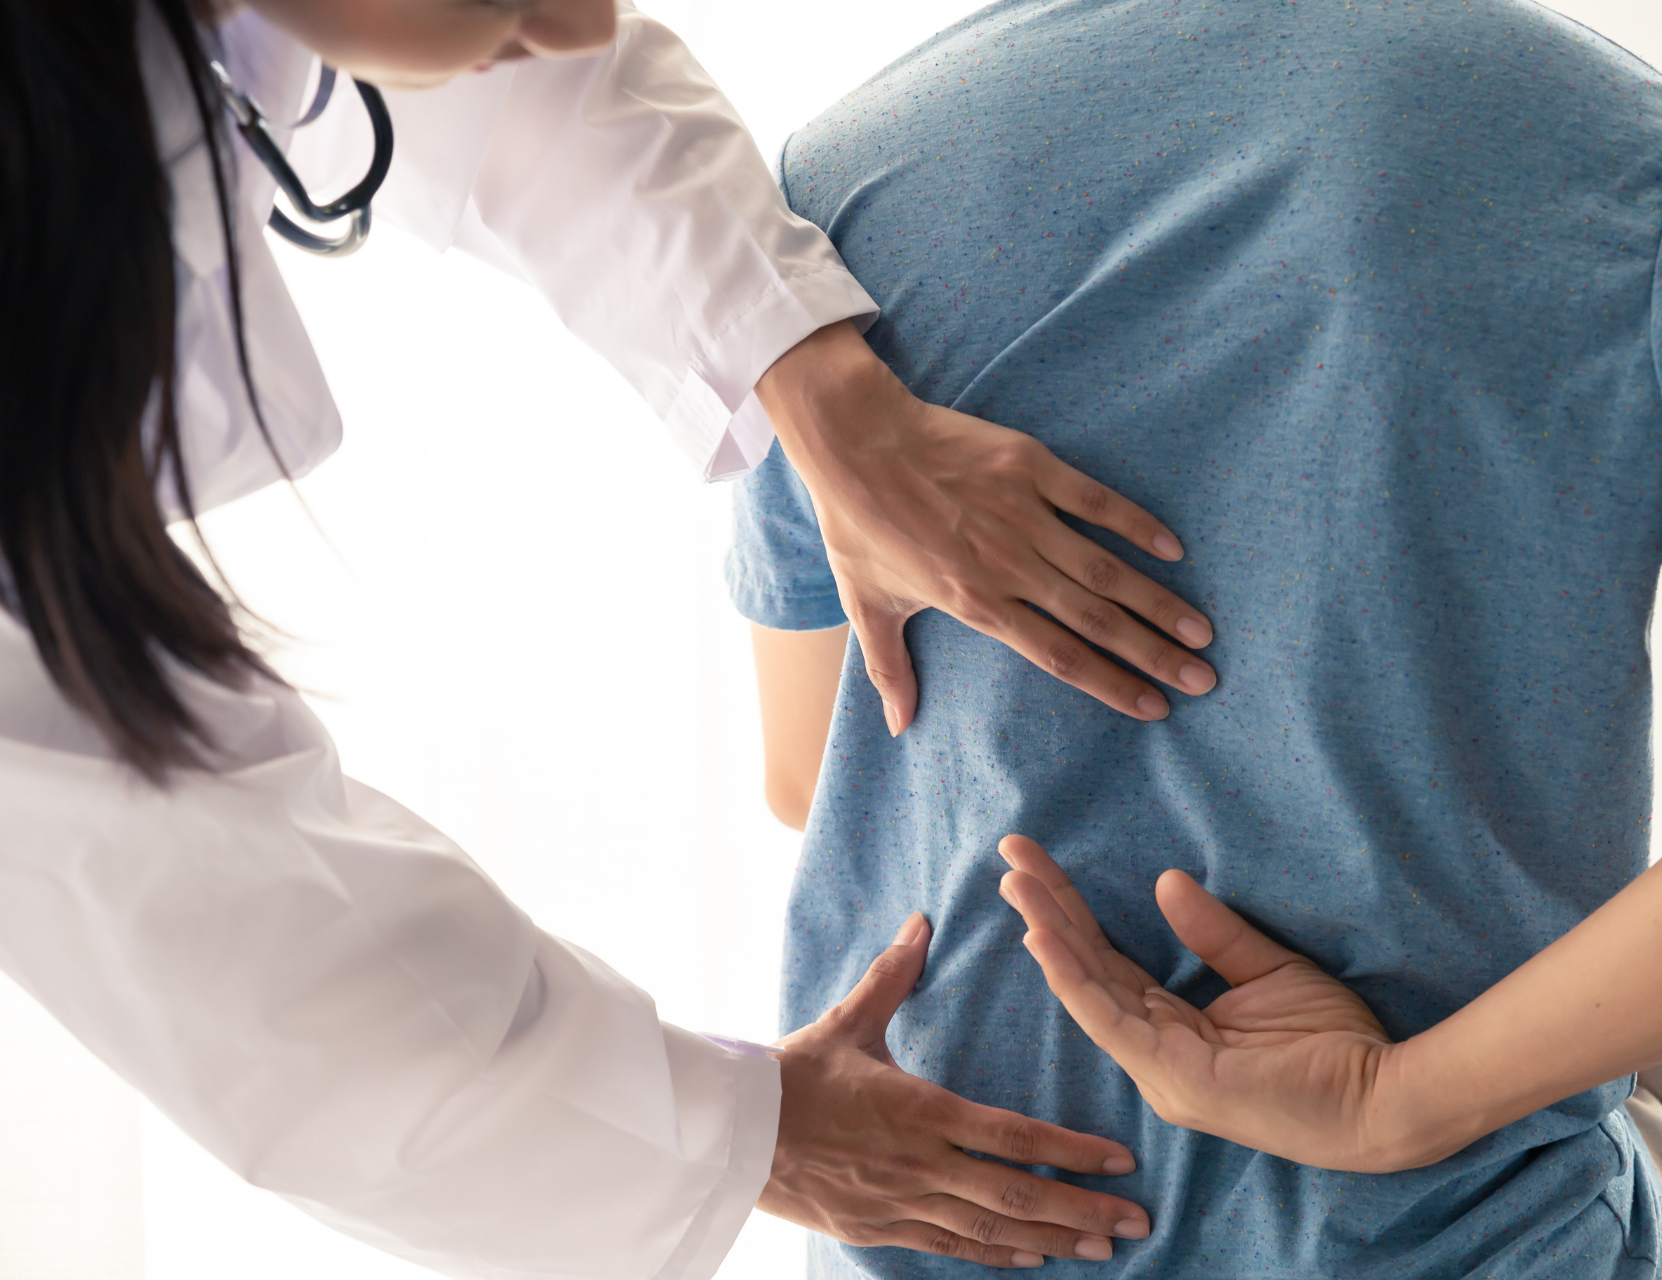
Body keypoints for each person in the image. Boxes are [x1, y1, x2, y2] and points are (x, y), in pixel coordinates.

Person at [0, 0, 1239, 1274]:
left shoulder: (874, 167)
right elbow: (187, 901)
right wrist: (747, 1134)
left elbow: (808, 773)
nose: (587, 18)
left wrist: (818, 385)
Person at [734, 0, 1662, 1276]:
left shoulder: (824, 189)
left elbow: (810, 768)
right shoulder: (1650, 168)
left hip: (951, 1234)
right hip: (1458, 1237)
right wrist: (1400, 1099)